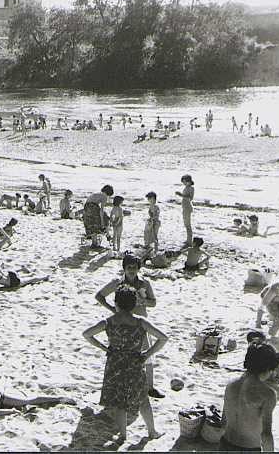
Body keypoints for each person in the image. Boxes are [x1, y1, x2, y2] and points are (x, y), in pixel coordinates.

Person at [83, 287, 167, 445]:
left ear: (116, 303)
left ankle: (122, 436)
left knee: (119, 402)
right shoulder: (140, 322)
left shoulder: (108, 322)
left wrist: (103, 347)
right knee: (143, 399)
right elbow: (163, 338)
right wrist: (147, 354)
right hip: (135, 365)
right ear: (134, 304)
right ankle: (152, 432)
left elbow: (87, 334)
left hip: (115, 365)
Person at [95, 254, 164, 399]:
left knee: (147, 355)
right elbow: (99, 296)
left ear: (139, 268)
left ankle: (150, 388)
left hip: (140, 323)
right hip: (121, 324)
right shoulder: (117, 283)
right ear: (124, 268)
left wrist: (142, 301)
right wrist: (113, 310)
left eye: (134, 267)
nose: (131, 270)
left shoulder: (144, 284)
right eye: (129, 267)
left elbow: (154, 303)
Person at [219, 342, 279, 451]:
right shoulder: (268, 394)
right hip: (248, 448)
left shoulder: (231, 385)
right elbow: (266, 434)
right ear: (267, 368)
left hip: (225, 444)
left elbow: (223, 422)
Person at [176, 175, 195, 246]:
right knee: (186, 224)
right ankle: (188, 240)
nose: (183, 183)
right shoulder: (186, 187)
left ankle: (189, 241)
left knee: (188, 225)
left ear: (188, 181)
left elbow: (190, 198)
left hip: (187, 207)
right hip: (185, 207)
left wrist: (181, 195)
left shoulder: (191, 188)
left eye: (184, 182)